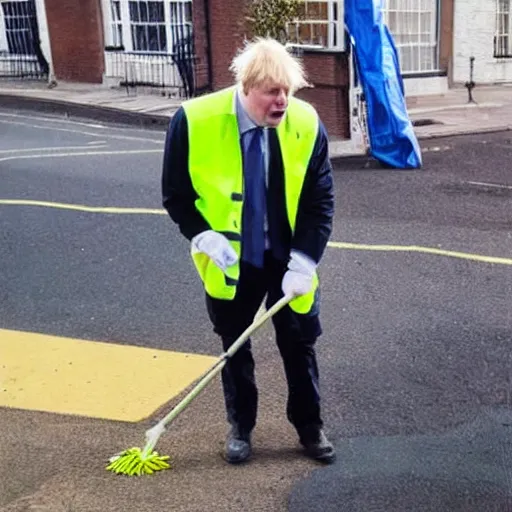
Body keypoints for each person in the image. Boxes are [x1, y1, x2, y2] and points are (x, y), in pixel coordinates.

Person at [161, 37, 335, 464]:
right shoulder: (193, 121)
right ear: (246, 86)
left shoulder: (307, 124)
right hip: (231, 258)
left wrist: (304, 261)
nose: (282, 101)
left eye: (287, 91)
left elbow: (319, 201)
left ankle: (310, 426)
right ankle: (241, 426)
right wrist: (202, 235)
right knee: (234, 344)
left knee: (299, 343)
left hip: (286, 256)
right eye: (272, 92)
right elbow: (176, 195)